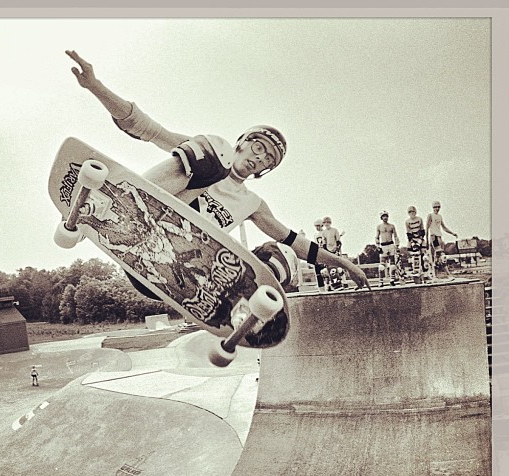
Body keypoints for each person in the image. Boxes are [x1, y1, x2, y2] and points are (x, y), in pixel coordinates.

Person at [65, 50, 370, 295]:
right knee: (211, 154)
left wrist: (343, 263)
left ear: (265, 171)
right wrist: (95, 87)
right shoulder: (208, 152)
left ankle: (238, 309)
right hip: (140, 237)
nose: (259, 158)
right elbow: (144, 127)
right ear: (243, 143)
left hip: (178, 273)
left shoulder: (253, 204)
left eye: (268, 159)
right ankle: (122, 204)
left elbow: (297, 243)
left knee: (279, 255)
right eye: (259, 147)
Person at [426, 201, 457, 277]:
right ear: (433, 208)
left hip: (439, 237)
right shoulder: (430, 215)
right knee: (442, 256)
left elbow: (444, 227)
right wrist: (426, 240)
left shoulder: (439, 216)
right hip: (434, 237)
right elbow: (426, 228)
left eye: (438, 207)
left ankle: (435, 276)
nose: (437, 208)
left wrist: (452, 233)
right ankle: (448, 274)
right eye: (435, 207)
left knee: (437, 258)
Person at [405, 205, 431, 282]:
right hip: (413, 240)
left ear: (415, 212)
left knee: (424, 257)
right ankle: (416, 274)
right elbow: (409, 233)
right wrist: (413, 243)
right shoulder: (407, 221)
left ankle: (426, 273)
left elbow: (422, 230)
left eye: (413, 211)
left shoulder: (419, 219)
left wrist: (420, 240)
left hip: (420, 238)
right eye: (410, 212)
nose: (412, 213)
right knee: (414, 257)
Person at [375, 211, 401, 286]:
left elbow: (395, 236)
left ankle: (392, 280)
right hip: (383, 246)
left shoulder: (392, 226)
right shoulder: (379, 227)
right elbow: (377, 237)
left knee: (392, 264)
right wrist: (378, 245)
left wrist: (397, 245)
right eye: (383, 216)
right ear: (381, 217)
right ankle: (381, 281)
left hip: (390, 244)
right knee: (382, 265)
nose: (385, 217)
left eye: (386, 216)